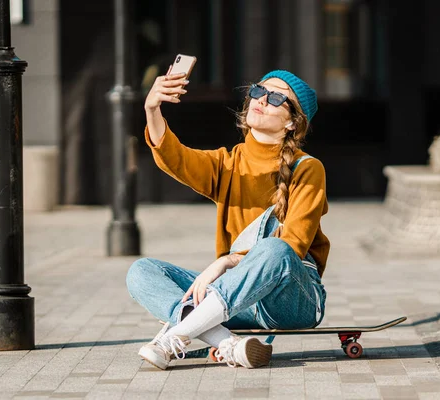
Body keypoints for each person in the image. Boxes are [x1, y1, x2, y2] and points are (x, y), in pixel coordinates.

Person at [126, 69, 330, 370]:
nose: (261, 99)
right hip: (239, 300)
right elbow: (175, 158)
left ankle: (176, 337)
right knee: (142, 271)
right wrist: (152, 108)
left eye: (275, 97)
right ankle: (227, 343)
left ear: (291, 122)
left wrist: (225, 262)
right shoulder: (227, 164)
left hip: (292, 299)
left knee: (274, 249)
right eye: (258, 91)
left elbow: (293, 246)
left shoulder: (308, 168)